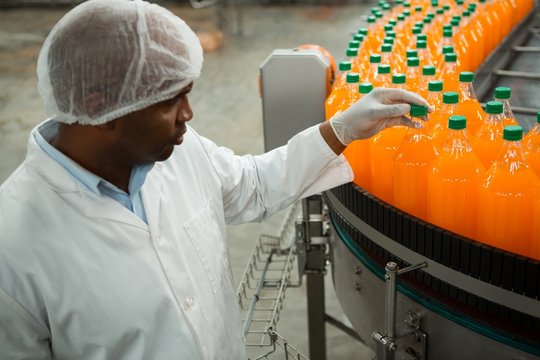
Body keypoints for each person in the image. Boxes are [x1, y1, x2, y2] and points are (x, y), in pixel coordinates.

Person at [0, 0, 430, 359]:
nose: (189, 114)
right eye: (172, 101)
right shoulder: (13, 247)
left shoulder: (177, 151)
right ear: (101, 108)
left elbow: (255, 185)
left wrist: (341, 130)